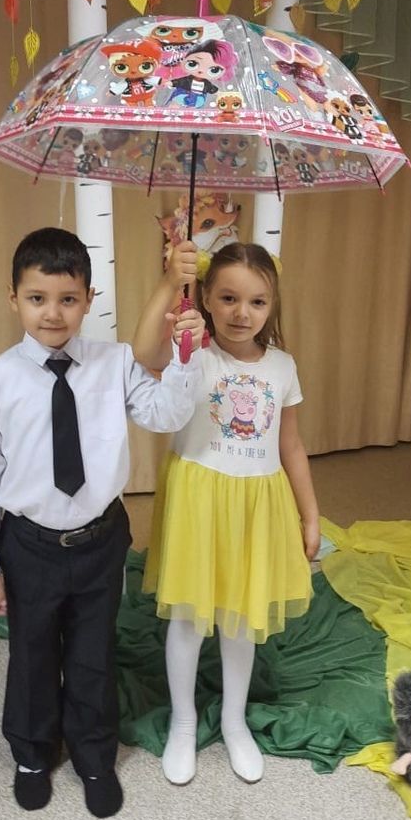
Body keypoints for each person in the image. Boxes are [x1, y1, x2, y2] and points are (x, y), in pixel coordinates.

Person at [0, 227, 205, 819]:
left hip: (100, 540)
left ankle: (94, 755)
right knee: (32, 653)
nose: (53, 313)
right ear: (13, 298)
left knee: (94, 653)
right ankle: (32, 753)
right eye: (37, 298)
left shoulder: (114, 363)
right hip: (29, 544)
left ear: (89, 299)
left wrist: (185, 356)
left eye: (68, 299)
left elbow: (167, 413)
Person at [132, 240, 320, 786]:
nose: (242, 313)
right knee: (190, 617)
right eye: (229, 298)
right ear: (207, 299)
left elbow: (291, 447)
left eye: (257, 302)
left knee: (241, 619)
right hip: (199, 501)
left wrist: (310, 514)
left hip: (258, 504)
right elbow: (143, 354)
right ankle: (184, 722)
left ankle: (235, 722)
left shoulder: (283, 366)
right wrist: (170, 282)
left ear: (272, 306)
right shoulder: (193, 350)